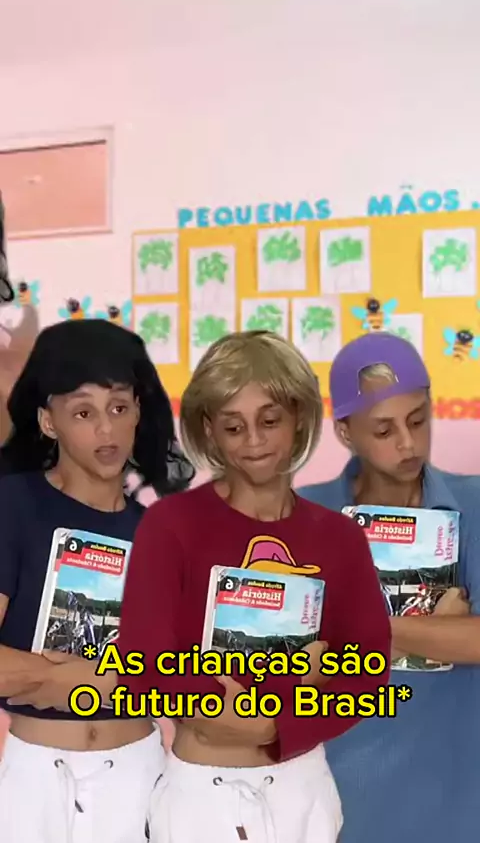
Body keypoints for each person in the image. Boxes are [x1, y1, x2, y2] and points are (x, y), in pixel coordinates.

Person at [117, 330, 391, 843]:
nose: (254, 442)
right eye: (233, 426)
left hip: (303, 791)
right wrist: (285, 693)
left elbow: (367, 672)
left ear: (299, 417)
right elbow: (143, 666)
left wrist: (273, 726)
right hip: (201, 797)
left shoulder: (339, 537)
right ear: (209, 429)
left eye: (269, 421)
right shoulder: (171, 525)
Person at [0, 318, 194, 843]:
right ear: (48, 421)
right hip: (35, 779)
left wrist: (64, 678)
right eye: (84, 412)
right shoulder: (12, 506)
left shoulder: (162, 534)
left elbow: (178, 677)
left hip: (139, 774)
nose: (106, 431)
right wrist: (86, 678)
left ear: (138, 412)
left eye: (119, 408)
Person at [298, 332, 480, 843]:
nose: (408, 444)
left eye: (418, 420)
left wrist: (369, 628)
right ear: (344, 431)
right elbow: (287, 660)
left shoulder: (474, 506)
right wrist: (434, 629)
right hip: (337, 803)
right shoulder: (305, 515)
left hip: (455, 804)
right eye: (384, 429)